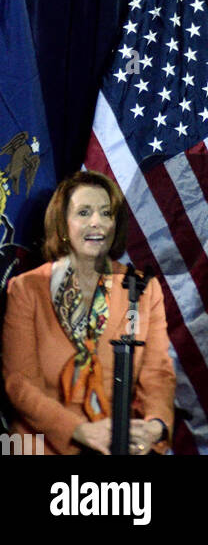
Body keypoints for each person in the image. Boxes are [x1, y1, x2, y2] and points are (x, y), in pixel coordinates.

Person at [2, 171, 175, 455]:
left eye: (106, 213)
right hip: (43, 446)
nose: (97, 222)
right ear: (62, 225)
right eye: (84, 212)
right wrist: (78, 430)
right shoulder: (26, 289)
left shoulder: (144, 288)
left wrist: (155, 425)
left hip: (122, 445)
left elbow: (157, 374)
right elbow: (20, 384)